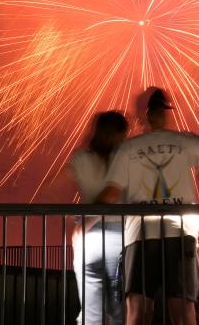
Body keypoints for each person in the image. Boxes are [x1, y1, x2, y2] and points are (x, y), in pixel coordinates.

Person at [97, 87, 199, 325]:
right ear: (167, 113)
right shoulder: (183, 141)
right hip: (181, 232)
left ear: (143, 115)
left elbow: (111, 192)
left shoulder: (128, 148)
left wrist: (88, 215)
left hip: (140, 234)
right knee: (183, 311)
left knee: (137, 310)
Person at [68, 111, 129, 325]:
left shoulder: (81, 158)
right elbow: (112, 197)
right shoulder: (126, 160)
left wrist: (80, 224)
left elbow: (54, 187)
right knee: (119, 308)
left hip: (87, 238)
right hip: (119, 235)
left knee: (91, 310)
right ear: (120, 134)